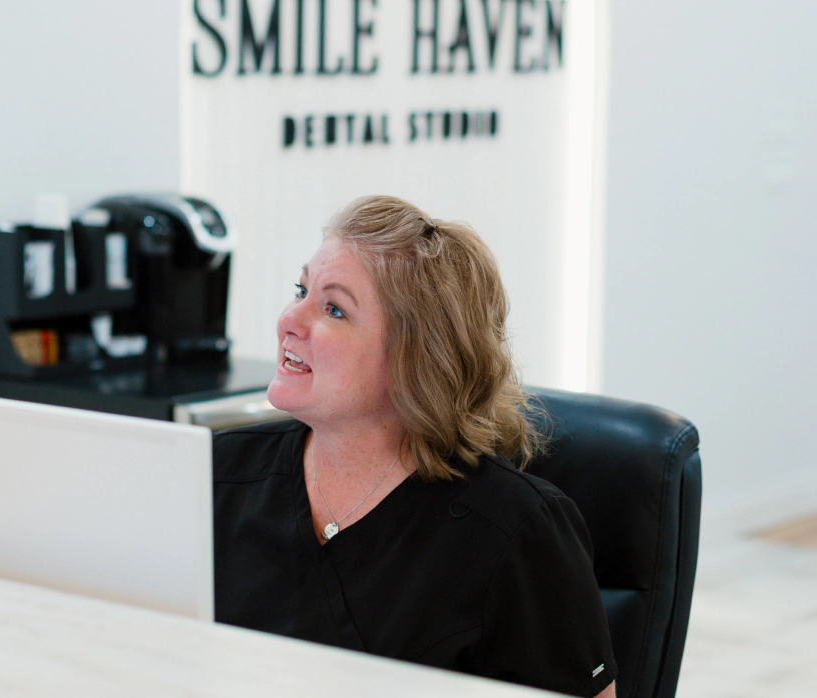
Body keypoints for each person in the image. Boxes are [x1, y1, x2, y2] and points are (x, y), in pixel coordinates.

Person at [213, 196, 617, 697]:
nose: (289, 320)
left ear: (414, 358)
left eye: (333, 308)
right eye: (301, 290)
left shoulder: (516, 532)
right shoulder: (217, 474)